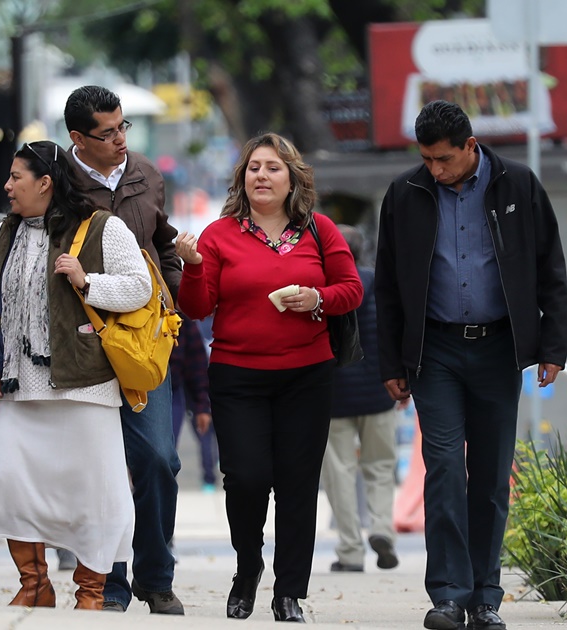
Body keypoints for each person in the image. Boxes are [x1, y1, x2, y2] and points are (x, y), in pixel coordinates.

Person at [375, 100, 567, 630]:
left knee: (488, 477)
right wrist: (392, 359)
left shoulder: (518, 185)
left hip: (498, 349)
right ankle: (448, 595)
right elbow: (388, 286)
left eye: (443, 160)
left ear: (470, 147)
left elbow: (552, 267)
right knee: (441, 471)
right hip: (434, 352)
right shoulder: (405, 194)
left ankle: (486, 596)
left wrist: (552, 346)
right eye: (426, 160)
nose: (435, 170)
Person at [175, 132, 362, 623]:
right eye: (254, 167)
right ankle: (247, 567)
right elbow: (196, 308)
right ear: (242, 177)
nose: (262, 174)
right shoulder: (218, 235)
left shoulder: (320, 231)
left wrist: (317, 300)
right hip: (238, 375)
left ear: (292, 178)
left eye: (273, 167)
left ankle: (289, 592)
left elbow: (351, 289)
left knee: (298, 484)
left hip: (308, 375)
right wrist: (192, 266)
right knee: (247, 479)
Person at [0, 140, 150, 610]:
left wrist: (86, 280)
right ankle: (35, 585)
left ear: (45, 182)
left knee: (95, 494)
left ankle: (91, 592)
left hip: (85, 387)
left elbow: (140, 289)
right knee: (9, 486)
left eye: (16, 177)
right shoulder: (4, 234)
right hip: (16, 387)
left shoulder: (101, 228)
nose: (7, 186)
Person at [63, 84, 185, 615]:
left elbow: (163, 244)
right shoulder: (55, 183)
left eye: (123, 128)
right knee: (99, 468)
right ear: (77, 139)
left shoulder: (146, 176)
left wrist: (171, 301)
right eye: (107, 132)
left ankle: (156, 578)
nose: (119, 140)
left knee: (159, 458)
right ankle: (105, 585)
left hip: (142, 346)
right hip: (84, 347)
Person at [320, 224, 404, 573]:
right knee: (381, 467)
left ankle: (350, 550)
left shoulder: (322, 290)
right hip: (380, 392)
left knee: (339, 472)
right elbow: (395, 333)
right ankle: (382, 529)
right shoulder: (381, 284)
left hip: (335, 397)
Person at [170, 314, 217, 492]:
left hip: (172, 388)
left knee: (166, 457)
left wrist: (201, 406)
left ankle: (209, 478)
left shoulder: (183, 318)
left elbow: (195, 363)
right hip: (133, 386)